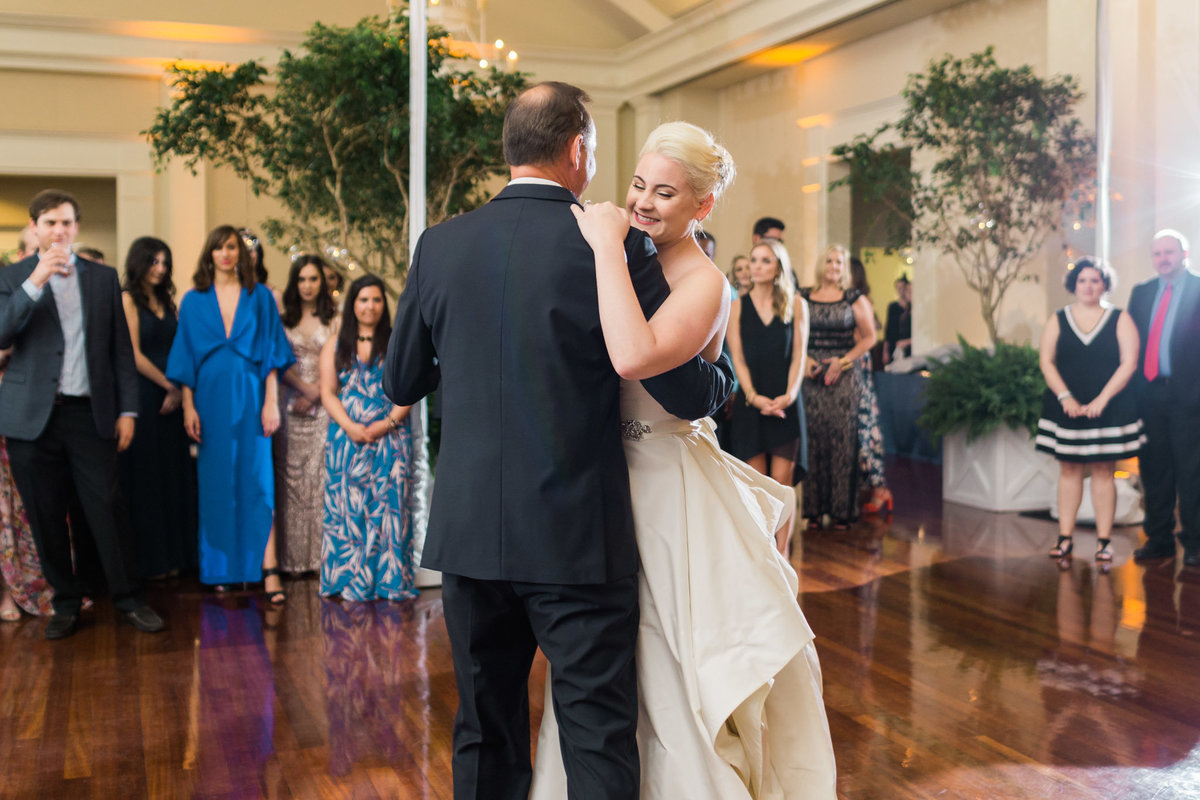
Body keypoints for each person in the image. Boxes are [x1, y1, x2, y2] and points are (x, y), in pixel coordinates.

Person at [384, 82, 734, 800]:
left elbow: (402, 381)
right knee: (596, 733)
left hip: (471, 532)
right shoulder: (614, 248)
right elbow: (676, 388)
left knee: (484, 727)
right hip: (576, 534)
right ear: (578, 151)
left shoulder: (440, 245)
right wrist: (721, 373)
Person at [532, 121, 836, 798]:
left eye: (665, 193)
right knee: (600, 659)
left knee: (669, 657)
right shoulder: (625, 253)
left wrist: (606, 246)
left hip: (666, 484)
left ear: (701, 206)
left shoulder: (702, 282)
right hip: (601, 477)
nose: (643, 202)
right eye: (638, 185)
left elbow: (635, 356)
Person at [0, 189, 164, 638]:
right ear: (34, 228)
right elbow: (1, 333)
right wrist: (36, 281)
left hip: (88, 415)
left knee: (107, 506)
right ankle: (66, 602)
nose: (59, 230)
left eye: (67, 222)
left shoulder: (102, 278)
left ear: (76, 227)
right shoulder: (12, 277)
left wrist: (127, 409)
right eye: (50, 222)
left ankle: (129, 598)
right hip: (30, 419)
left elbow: (119, 352)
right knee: (46, 513)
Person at [166, 225, 294, 601]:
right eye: (219, 247)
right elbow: (185, 357)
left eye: (232, 247)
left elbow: (273, 355)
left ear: (242, 253)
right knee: (217, 484)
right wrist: (188, 406)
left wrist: (271, 402)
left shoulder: (261, 297)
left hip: (252, 397)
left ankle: (267, 571)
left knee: (258, 483)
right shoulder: (192, 300)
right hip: (208, 399)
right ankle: (219, 569)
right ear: (209, 253)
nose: (225, 253)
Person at [1036, 257, 1143, 565]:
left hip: (1108, 408)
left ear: (1104, 285)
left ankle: (1104, 542)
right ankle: (1065, 537)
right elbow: (1046, 361)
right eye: (1082, 280)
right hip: (1067, 407)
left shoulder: (1120, 318)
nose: (1088, 286)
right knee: (1068, 470)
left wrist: (1102, 400)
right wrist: (1065, 397)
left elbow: (1129, 363)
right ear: (1074, 284)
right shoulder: (1058, 318)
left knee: (1103, 471)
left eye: (1095, 280)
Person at [319, 275, 416, 601]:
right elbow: (328, 392)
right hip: (347, 441)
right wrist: (350, 426)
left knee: (389, 511)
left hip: (390, 439)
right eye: (363, 300)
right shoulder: (335, 344)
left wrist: (384, 424)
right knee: (348, 511)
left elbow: (408, 392)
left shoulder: (397, 342)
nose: (370, 306)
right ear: (353, 305)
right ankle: (348, 581)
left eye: (376, 300)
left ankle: (389, 583)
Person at [118, 236, 197, 580]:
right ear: (139, 262)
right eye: (154, 262)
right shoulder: (127, 300)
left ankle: (179, 557)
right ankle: (152, 563)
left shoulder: (170, 302)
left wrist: (180, 390)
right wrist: (170, 385)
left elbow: (183, 347)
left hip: (176, 396)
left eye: (165, 263)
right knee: (148, 478)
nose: (160, 269)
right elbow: (133, 355)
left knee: (175, 476)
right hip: (146, 397)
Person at [727, 239, 809, 532]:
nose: (756, 266)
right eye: (754, 259)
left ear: (778, 269)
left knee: (782, 488)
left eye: (765, 261)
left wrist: (789, 395)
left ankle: (782, 558)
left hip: (785, 403)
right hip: (752, 403)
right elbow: (738, 359)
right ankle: (763, 559)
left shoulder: (796, 305)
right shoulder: (736, 308)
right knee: (755, 488)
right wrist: (753, 397)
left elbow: (800, 354)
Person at [1128, 230, 1200, 565]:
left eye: (1169, 252)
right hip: (1149, 395)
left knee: (1192, 471)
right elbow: (1131, 345)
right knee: (1154, 470)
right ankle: (1159, 539)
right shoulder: (1141, 293)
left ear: (1184, 252)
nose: (1163, 259)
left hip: (1190, 396)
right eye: (1157, 253)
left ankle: (1195, 544)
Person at [801, 244, 877, 528]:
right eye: (830, 261)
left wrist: (842, 362)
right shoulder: (803, 296)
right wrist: (806, 359)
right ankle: (813, 512)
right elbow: (793, 333)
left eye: (840, 262)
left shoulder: (853, 298)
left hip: (843, 374)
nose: (834, 266)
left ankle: (842, 511)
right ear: (822, 264)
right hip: (810, 374)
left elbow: (869, 338)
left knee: (843, 440)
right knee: (814, 439)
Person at [275, 254, 336, 575]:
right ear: (294, 282)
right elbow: (276, 361)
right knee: (290, 481)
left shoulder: (335, 319)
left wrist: (316, 392)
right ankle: (293, 561)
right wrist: (301, 388)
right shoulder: (283, 320)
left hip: (325, 404)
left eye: (314, 279)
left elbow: (344, 360)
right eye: (302, 279)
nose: (308, 286)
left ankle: (322, 562)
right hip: (289, 406)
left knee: (320, 480)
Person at [848, 256, 892, 514]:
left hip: (858, 371)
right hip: (844, 370)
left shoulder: (861, 302)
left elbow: (871, 333)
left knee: (865, 429)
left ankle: (879, 487)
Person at [884, 274, 912, 364]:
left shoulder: (911, 310)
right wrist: (885, 351)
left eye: (903, 288)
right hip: (895, 347)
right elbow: (888, 330)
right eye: (898, 288)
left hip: (908, 348)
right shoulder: (893, 307)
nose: (900, 291)